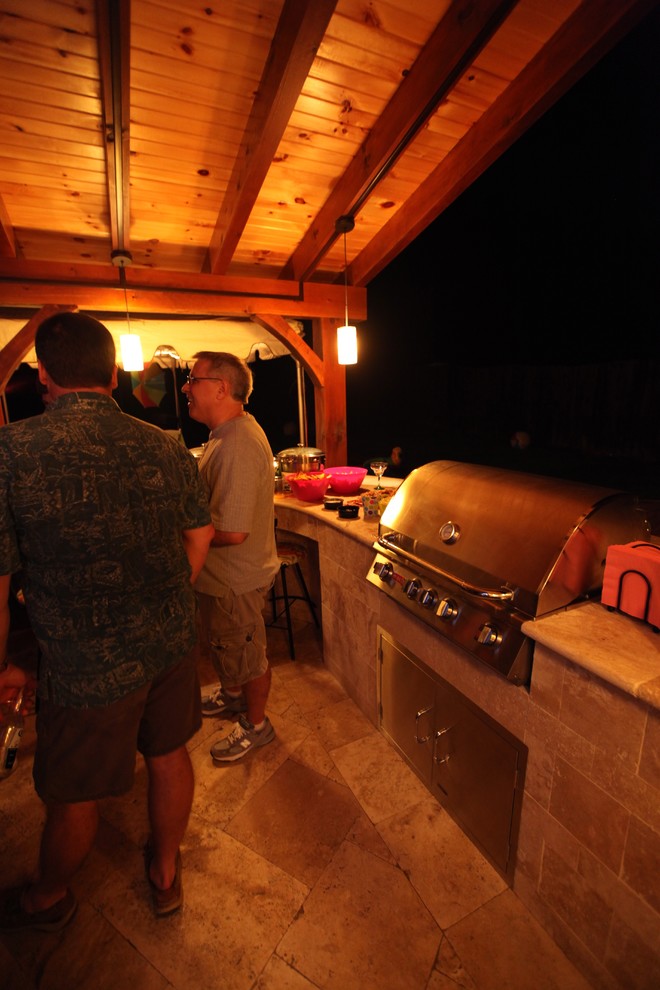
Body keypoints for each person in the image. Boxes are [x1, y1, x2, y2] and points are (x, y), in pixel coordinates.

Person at [0, 312, 214, 931]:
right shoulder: (164, 443)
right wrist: (176, 589)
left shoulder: (12, 452)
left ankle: (49, 894)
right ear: (114, 372)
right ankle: (166, 870)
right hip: (170, 641)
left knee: (73, 793)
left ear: (43, 374)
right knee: (170, 754)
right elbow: (198, 533)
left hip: (83, 659)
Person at [182, 352, 279, 764]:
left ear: (221, 388)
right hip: (225, 580)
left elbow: (234, 531)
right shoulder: (225, 434)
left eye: (192, 379)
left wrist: (183, 533)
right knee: (231, 649)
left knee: (247, 654)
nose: (186, 387)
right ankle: (233, 695)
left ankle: (257, 726)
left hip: (235, 581)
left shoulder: (236, 443)